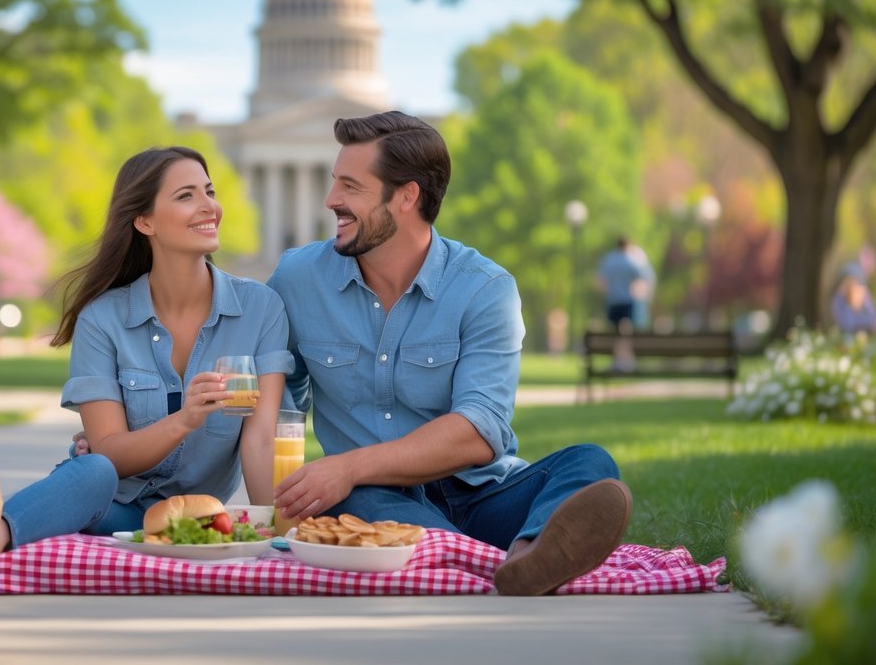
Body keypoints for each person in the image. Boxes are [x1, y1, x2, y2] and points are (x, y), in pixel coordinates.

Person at [266, 111, 632, 597]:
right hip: (378, 499)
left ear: (407, 196)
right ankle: (498, 560)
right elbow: (277, 404)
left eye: (351, 187)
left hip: (484, 493)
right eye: (335, 183)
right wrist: (280, 493)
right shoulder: (297, 278)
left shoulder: (485, 288)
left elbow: (482, 430)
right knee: (367, 504)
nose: (332, 200)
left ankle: (515, 559)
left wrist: (349, 466)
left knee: (590, 465)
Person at [0, 146, 293, 578]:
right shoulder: (103, 319)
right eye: (186, 196)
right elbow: (110, 454)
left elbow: (259, 441)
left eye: (209, 191)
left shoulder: (260, 310)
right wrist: (185, 419)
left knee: (94, 470)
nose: (210, 207)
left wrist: (278, 536)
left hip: (191, 522)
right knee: (94, 471)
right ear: (144, 221)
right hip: (113, 508)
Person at [596, 236, 650, 332]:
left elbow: (601, 280)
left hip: (612, 299)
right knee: (627, 329)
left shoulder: (609, 260)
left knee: (614, 329)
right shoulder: (630, 260)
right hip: (627, 300)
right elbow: (641, 276)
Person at [830, 263, 876, 337]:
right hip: (849, 336)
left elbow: (873, 320)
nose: (851, 285)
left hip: (869, 334)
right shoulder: (839, 300)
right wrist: (851, 304)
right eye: (848, 281)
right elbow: (845, 325)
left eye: (854, 281)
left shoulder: (864, 297)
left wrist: (860, 304)